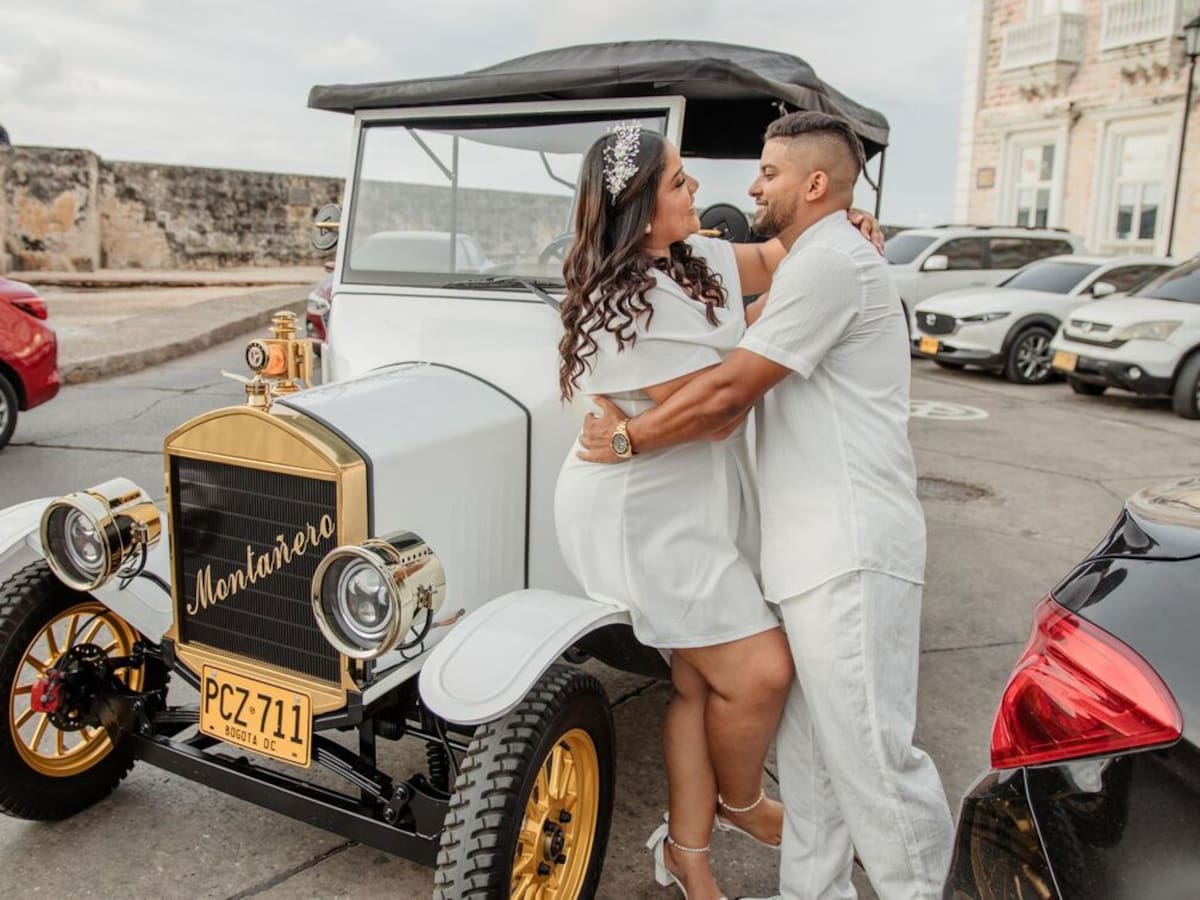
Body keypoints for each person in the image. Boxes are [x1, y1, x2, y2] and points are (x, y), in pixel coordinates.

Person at [578, 111, 955, 900]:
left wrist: (629, 440)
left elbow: (727, 392)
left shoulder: (831, 263)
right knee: (817, 765)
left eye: (770, 173)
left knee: (876, 763)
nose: (746, 185)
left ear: (813, 183)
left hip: (847, 542)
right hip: (793, 545)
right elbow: (748, 325)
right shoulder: (808, 257)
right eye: (683, 178)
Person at [555, 124, 795, 900]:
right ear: (638, 209)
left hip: (690, 499)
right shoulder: (612, 309)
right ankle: (742, 801)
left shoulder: (694, 259)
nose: (696, 191)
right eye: (679, 184)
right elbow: (719, 414)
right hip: (638, 515)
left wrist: (841, 229)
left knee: (698, 685)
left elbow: (777, 257)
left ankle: (688, 857)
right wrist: (766, 334)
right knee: (760, 672)